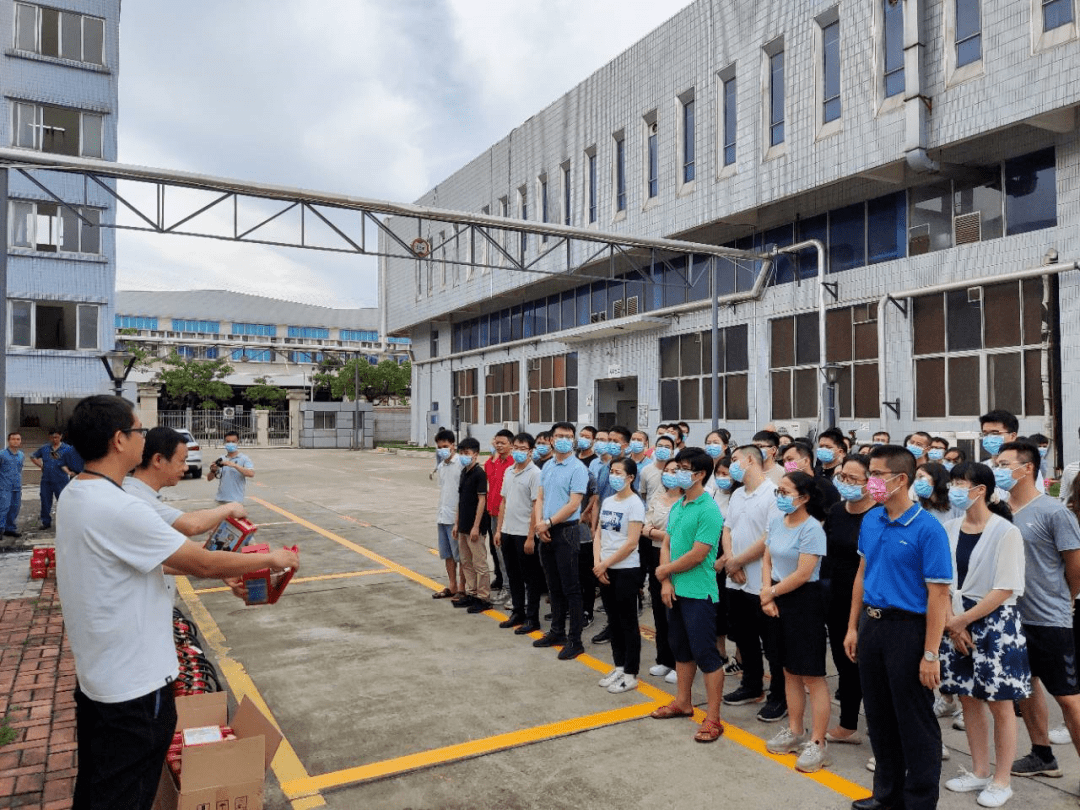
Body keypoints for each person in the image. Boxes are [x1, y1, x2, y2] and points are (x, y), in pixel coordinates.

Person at [56, 395, 298, 810]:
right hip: (135, 688)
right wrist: (271, 559)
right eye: (138, 431)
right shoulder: (117, 508)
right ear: (119, 440)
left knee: (99, 786)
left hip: (101, 680)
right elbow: (200, 562)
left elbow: (148, 564)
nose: (143, 437)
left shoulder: (77, 494)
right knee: (125, 796)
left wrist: (229, 571)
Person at [844, 444, 952, 810]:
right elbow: (862, 574)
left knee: (914, 721)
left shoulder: (928, 530)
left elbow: (939, 596)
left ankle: (919, 800)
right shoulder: (872, 519)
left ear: (900, 479)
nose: (870, 481)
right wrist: (852, 627)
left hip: (908, 630)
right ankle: (885, 794)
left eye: (875, 474)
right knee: (878, 714)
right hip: (872, 626)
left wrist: (930, 653)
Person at [939, 461, 1029, 808]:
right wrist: (951, 621)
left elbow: (1005, 587)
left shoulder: (1005, 531)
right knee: (968, 699)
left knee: (1000, 703)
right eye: (953, 483)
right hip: (955, 620)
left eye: (961, 484)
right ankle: (978, 770)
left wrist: (961, 621)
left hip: (994, 624)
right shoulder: (948, 528)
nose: (954, 489)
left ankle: (1001, 779)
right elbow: (941, 581)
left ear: (981, 490)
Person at [994, 441, 1080, 780]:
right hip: (1011, 618)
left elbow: (1074, 569)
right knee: (1024, 689)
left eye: (1004, 463)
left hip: (1049, 620)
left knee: (1069, 700)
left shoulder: (1053, 512)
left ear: (1027, 468)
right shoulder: (998, 510)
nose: (998, 468)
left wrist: (1061, 600)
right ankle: (1042, 754)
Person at [650, 447, 727, 743]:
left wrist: (664, 570)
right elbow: (667, 542)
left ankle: (714, 718)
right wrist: (666, 580)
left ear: (699, 474)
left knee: (706, 653)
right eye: (676, 467)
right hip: (676, 590)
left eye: (683, 468)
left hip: (698, 593)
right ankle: (683, 702)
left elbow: (699, 554)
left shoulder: (709, 510)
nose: (677, 473)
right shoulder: (679, 505)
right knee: (680, 649)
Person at [123, 427, 251, 602]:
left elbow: (165, 562)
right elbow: (192, 525)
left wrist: (224, 569)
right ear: (158, 460)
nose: (185, 467)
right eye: (182, 460)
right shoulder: (135, 498)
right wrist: (229, 508)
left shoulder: (143, 495)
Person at [761, 471, 832, 773]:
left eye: (786, 492)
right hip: (776, 597)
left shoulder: (812, 529)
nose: (780, 496)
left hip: (804, 601)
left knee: (811, 675)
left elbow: (804, 573)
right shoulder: (777, 521)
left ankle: (817, 742)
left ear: (804, 497)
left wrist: (770, 593)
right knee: (788, 670)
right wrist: (767, 595)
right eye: (778, 491)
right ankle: (795, 729)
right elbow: (767, 559)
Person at [722, 444, 788, 722]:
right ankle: (751, 685)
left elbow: (769, 538)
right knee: (744, 638)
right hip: (736, 580)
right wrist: (729, 559)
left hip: (761, 580)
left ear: (751, 460)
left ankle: (779, 697)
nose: (732, 465)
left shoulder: (773, 494)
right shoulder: (737, 493)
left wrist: (737, 562)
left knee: (773, 644)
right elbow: (728, 529)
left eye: (735, 459)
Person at [823, 454, 875, 747]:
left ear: (870, 483)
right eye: (843, 477)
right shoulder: (835, 511)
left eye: (853, 479)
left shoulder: (879, 514)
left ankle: (880, 725)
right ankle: (848, 724)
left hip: (870, 600)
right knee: (844, 662)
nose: (845, 484)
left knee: (869, 665)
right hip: (837, 596)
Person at [533, 422, 590, 660]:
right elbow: (540, 496)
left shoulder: (577, 468)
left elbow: (574, 504)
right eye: (559, 436)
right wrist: (539, 524)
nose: (563, 439)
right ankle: (556, 632)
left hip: (565, 531)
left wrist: (549, 523)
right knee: (553, 586)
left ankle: (575, 640)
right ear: (552, 440)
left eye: (568, 436)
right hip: (545, 529)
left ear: (574, 440)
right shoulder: (547, 465)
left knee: (571, 588)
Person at [594, 457, 645, 694]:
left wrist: (605, 564)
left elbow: (632, 542)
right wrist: (598, 564)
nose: (614, 476)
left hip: (626, 569)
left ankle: (631, 672)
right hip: (605, 568)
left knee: (628, 622)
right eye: (611, 471)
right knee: (613, 620)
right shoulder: (608, 501)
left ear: (631, 477)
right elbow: (599, 535)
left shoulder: (634, 503)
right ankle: (618, 665)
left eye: (618, 472)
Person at [494, 432, 542, 631]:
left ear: (531, 451)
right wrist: (499, 530)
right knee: (513, 575)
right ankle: (518, 612)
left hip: (524, 533)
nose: (519, 452)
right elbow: (504, 502)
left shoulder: (535, 473)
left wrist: (531, 536)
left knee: (530, 578)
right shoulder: (509, 471)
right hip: (508, 531)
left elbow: (535, 506)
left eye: (523, 449)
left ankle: (532, 618)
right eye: (516, 448)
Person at [643, 455, 683, 684]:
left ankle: (681, 661)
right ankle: (664, 659)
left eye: (676, 470)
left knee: (676, 610)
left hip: (679, 557)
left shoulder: (688, 501)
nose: (670, 474)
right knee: (659, 609)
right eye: (667, 471)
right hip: (655, 554)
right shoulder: (657, 498)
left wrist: (657, 533)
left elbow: (680, 534)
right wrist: (661, 533)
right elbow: (645, 527)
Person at [451, 437, 491, 613]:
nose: (463, 456)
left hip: (475, 526)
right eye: (461, 453)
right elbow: (460, 500)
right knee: (466, 562)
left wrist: (476, 526)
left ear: (475, 454)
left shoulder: (479, 474)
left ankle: (483, 597)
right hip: (463, 526)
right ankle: (471, 593)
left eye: (467, 453)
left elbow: (482, 501)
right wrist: (456, 523)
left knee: (479, 563)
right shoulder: (463, 472)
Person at [979, 410, 1045, 496]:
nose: (989, 438)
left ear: (1013, 436)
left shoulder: (1025, 469)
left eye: (995, 433)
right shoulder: (980, 470)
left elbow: (1035, 500)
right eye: (985, 434)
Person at [432, 429, 465, 600]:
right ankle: (452, 585)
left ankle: (462, 588)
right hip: (443, 515)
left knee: (461, 555)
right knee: (447, 554)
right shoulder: (441, 466)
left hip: (455, 517)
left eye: (445, 446)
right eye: (439, 447)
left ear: (453, 445)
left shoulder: (460, 464)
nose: (442, 450)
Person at [484, 429, 515, 597]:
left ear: (511, 444)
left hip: (508, 515)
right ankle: (505, 583)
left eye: (503, 443)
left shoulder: (513, 464)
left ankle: (510, 588)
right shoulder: (494, 462)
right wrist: (494, 455)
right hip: (493, 513)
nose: (499, 445)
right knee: (498, 552)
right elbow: (488, 472)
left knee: (507, 554)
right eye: (497, 442)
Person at [31, 428, 77, 529]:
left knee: (63, 501)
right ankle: (46, 522)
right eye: (52, 437)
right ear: (49, 437)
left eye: (56, 437)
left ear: (61, 437)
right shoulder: (45, 448)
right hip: (46, 480)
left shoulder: (67, 448)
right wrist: (41, 466)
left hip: (61, 480)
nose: (54, 439)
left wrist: (71, 471)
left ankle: (65, 523)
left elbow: (73, 461)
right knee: (45, 501)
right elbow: (33, 456)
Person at [206, 430, 254, 502]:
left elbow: (251, 473)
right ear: (225, 443)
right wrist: (213, 470)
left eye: (233, 442)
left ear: (238, 442)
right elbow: (209, 479)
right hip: (220, 499)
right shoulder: (221, 459)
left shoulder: (244, 458)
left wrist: (234, 465)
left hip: (236, 501)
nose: (230, 444)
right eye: (228, 442)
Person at [0, 432, 25, 537]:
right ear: (8, 441)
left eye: (18, 439)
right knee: (3, 508)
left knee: (15, 507)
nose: (16, 441)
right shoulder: (2, 454)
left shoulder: (21, 455)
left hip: (17, 486)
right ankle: (0, 529)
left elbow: (19, 469)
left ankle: (10, 529)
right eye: (13, 439)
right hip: (4, 486)